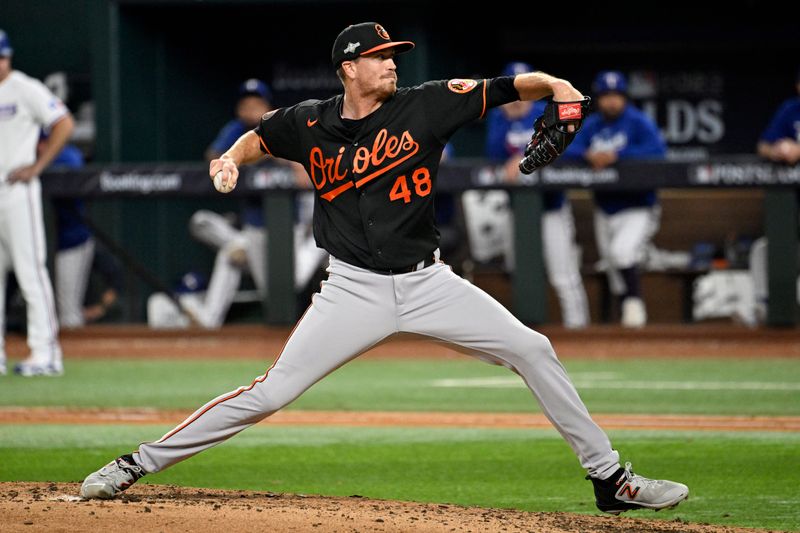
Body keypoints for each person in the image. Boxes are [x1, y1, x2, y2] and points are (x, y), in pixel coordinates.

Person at [81, 22, 688, 514]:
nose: (392, 63)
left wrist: (557, 85)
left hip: (430, 282)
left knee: (533, 348)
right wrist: (230, 161)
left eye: (395, 55)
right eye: (380, 56)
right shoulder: (309, 121)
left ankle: (610, 478)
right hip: (353, 290)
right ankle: (138, 462)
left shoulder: (427, 105)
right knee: (272, 392)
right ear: (349, 67)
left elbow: (511, 87)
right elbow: (256, 137)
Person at [172, 79, 327, 328]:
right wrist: (245, 156)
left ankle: (321, 245)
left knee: (291, 282)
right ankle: (209, 318)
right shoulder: (236, 132)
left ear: (267, 106)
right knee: (209, 230)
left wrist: (275, 155)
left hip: (290, 225)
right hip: (253, 227)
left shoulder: (281, 125)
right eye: (246, 104)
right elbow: (212, 158)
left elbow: (306, 179)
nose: (251, 109)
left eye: (257, 104)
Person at [486, 61, 589, 329]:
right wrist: (508, 115)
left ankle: (580, 332)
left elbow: (575, 149)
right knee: (516, 269)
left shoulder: (547, 110)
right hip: (516, 209)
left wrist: (523, 155)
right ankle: (524, 332)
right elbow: (493, 156)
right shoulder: (500, 116)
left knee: (562, 274)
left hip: (551, 207)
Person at [564, 71, 666, 328]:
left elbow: (658, 151)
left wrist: (618, 154)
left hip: (638, 206)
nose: (611, 101)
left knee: (622, 254)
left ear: (624, 97)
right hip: (605, 207)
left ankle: (635, 307)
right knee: (612, 265)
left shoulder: (638, 122)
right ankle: (625, 324)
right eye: (606, 96)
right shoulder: (594, 124)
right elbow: (569, 147)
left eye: (616, 96)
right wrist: (588, 154)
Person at [0, 30, 73, 377]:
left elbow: (63, 122)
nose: (1, 62)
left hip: (17, 190)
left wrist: (37, 167)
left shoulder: (24, 87)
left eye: (3, 56)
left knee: (31, 272)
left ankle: (46, 354)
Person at [744, 69, 800, 325]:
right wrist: (777, 150)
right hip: (793, 209)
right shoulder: (790, 110)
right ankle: (763, 307)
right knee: (762, 250)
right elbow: (763, 145)